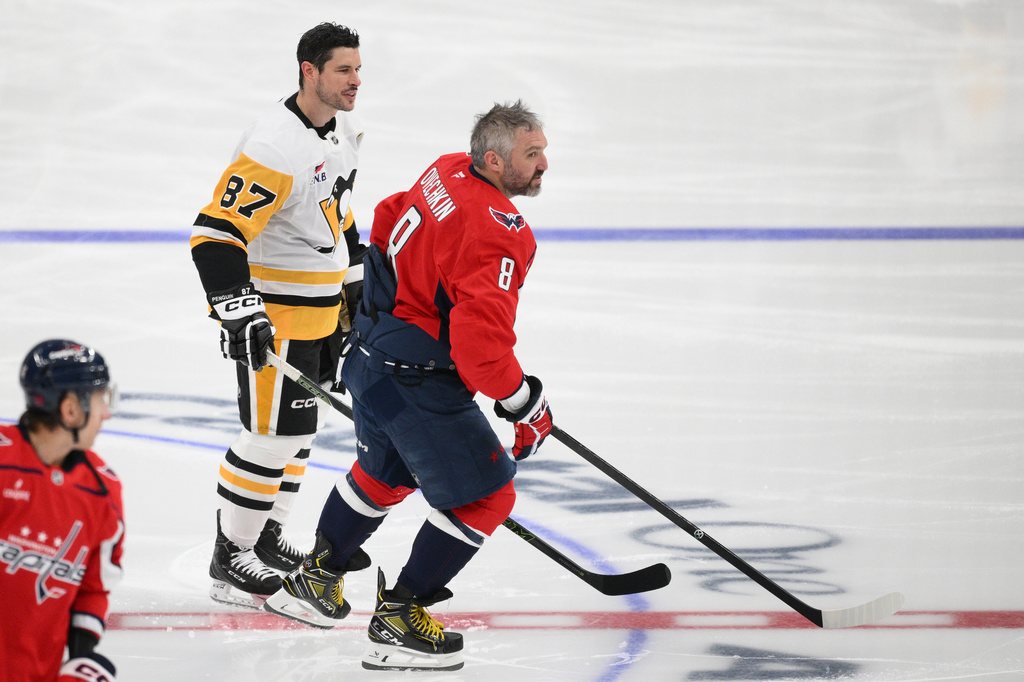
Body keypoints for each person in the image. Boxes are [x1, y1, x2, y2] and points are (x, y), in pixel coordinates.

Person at [263, 100, 554, 671]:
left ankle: (315, 580)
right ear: (494, 162)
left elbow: (389, 216)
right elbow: (480, 348)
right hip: (418, 378)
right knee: (488, 495)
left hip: (372, 358)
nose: (544, 164)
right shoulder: (500, 233)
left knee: (384, 471)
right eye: (532, 154)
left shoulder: (448, 169)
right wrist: (525, 403)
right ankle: (399, 616)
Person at [189, 21, 367, 609]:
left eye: (358, 69)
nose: (355, 81)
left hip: (319, 317)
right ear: (308, 71)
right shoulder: (272, 143)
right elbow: (215, 235)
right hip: (280, 319)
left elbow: (336, 216)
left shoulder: (341, 131)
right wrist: (239, 310)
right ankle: (229, 556)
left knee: (299, 436)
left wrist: (354, 292)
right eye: (343, 70)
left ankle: (262, 535)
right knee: (269, 436)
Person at [0, 340, 123, 682]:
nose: (106, 413)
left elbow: (92, 587)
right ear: (71, 409)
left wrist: (81, 659)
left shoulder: (102, 490)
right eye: (100, 400)